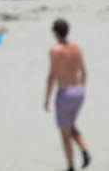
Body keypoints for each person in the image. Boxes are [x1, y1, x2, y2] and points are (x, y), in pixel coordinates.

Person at [45, 18, 90, 170]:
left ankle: (71, 167)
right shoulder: (76, 48)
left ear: (55, 33)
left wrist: (46, 98)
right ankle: (84, 150)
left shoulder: (55, 51)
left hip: (65, 93)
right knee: (70, 126)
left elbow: (52, 76)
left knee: (65, 134)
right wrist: (78, 86)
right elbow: (84, 73)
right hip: (78, 92)